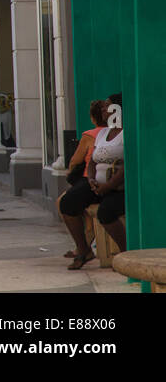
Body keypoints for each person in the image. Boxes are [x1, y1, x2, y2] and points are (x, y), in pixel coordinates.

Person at [58, 94, 126, 269]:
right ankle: (84, 250)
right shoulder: (103, 132)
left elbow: (127, 165)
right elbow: (93, 161)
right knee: (67, 203)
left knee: (106, 212)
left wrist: (108, 186)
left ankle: (127, 254)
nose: (103, 110)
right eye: (103, 107)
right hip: (97, 184)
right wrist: (91, 180)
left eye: (108, 106)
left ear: (118, 109)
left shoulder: (127, 132)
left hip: (118, 187)